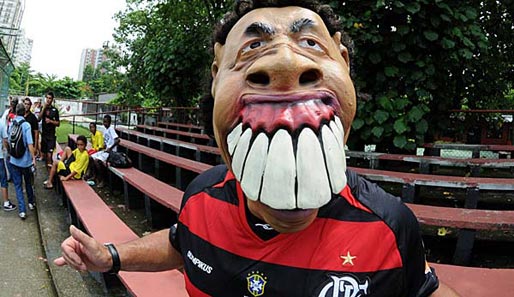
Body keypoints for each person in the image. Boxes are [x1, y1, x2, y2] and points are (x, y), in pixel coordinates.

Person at [54, 1, 458, 296]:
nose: (284, 63)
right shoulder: (202, 197)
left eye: (310, 44)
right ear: (217, 77)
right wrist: (111, 256)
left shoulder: (388, 224)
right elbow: (183, 243)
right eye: (251, 49)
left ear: (344, 64)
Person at [5, 103, 36, 220]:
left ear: (16, 112)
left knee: (18, 186)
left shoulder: (12, 123)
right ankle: (31, 203)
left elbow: (8, 140)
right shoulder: (26, 125)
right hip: (25, 162)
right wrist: (33, 158)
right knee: (28, 182)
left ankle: (22, 211)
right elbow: (29, 143)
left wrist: (10, 153)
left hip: (13, 160)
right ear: (25, 112)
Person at [90, 115, 119, 188]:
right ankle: (95, 176)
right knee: (91, 157)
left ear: (109, 122)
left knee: (97, 161)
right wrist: (104, 147)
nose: (104, 123)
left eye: (106, 122)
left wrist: (110, 148)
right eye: (103, 122)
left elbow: (117, 140)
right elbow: (106, 142)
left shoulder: (111, 129)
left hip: (111, 152)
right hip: (106, 151)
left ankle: (103, 180)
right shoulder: (105, 130)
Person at [39, 91, 60, 171]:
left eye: (50, 98)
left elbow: (58, 123)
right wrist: (44, 108)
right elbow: (38, 119)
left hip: (51, 136)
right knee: (44, 155)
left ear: (52, 99)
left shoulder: (55, 110)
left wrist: (51, 121)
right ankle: (48, 173)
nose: (48, 100)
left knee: (49, 156)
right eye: (47, 98)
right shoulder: (43, 108)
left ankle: (51, 177)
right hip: (44, 135)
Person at [0, 116, 16, 212]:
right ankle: (6, 202)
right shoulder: (1, 124)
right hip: (0, 157)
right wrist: (9, 151)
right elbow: (5, 140)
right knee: (3, 179)